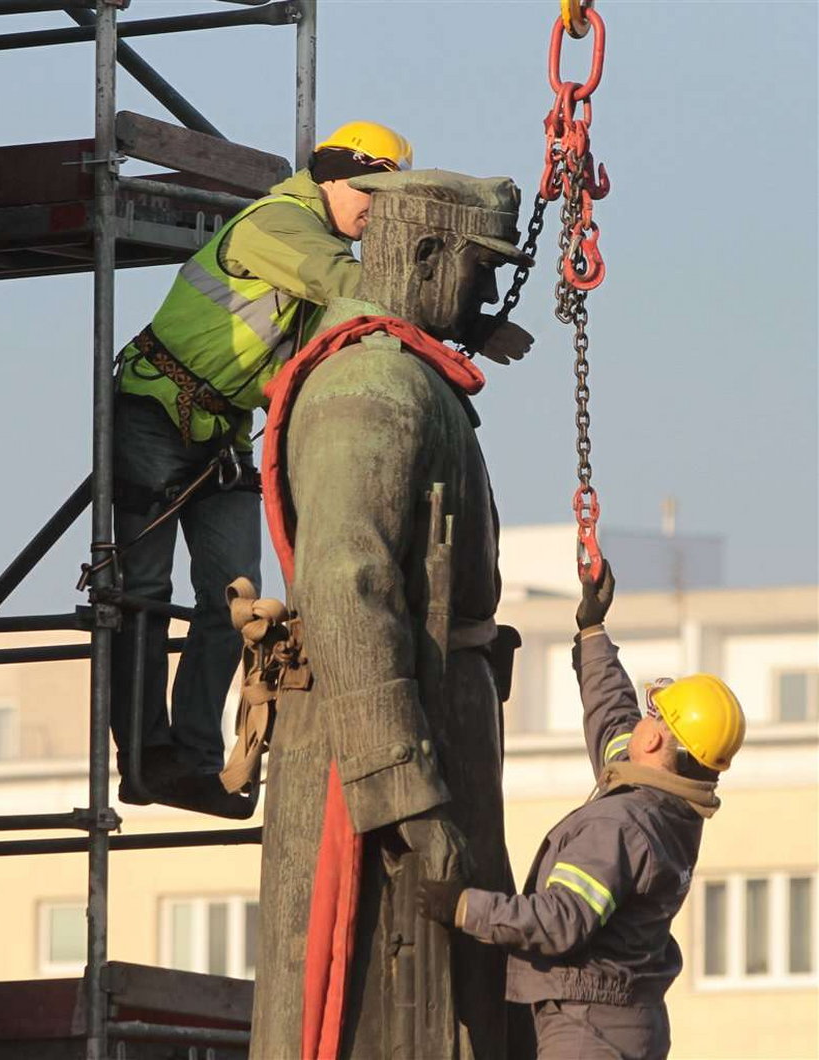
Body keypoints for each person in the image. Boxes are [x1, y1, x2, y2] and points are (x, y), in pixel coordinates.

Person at [249, 171, 536, 1058]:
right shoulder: (371, 385)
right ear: (420, 253)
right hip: (384, 776)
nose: (488, 292)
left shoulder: (407, 375)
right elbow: (346, 582)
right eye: (478, 269)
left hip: (434, 734)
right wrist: (407, 797)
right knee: (388, 1014)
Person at [111, 122, 414, 818]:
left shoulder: (326, 247)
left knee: (233, 605)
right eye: (371, 190)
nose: (377, 207)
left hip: (218, 434)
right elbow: (348, 285)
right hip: (154, 410)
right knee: (145, 594)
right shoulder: (276, 223)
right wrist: (455, 311)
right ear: (333, 177)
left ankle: (190, 761)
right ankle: (145, 755)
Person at [417, 561, 747, 1060]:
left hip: (589, 1032)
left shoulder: (621, 826)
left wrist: (464, 907)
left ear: (655, 737)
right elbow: (611, 713)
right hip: (624, 1020)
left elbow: (560, 919)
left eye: (652, 713)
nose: (641, 717)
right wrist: (592, 631)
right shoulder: (664, 803)